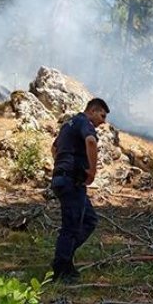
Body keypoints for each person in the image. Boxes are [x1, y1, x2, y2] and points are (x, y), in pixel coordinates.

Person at [50, 98, 109, 283]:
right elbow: (91, 142)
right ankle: (60, 271)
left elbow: (54, 147)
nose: (103, 121)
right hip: (71, 181)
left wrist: (60, 165)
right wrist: (91, 171)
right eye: (102, 115)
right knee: (71, 227)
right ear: (92, 110)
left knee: (90, 220)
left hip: (62, 178)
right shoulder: (85, 122)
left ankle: (65, 259)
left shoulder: (69, 123)